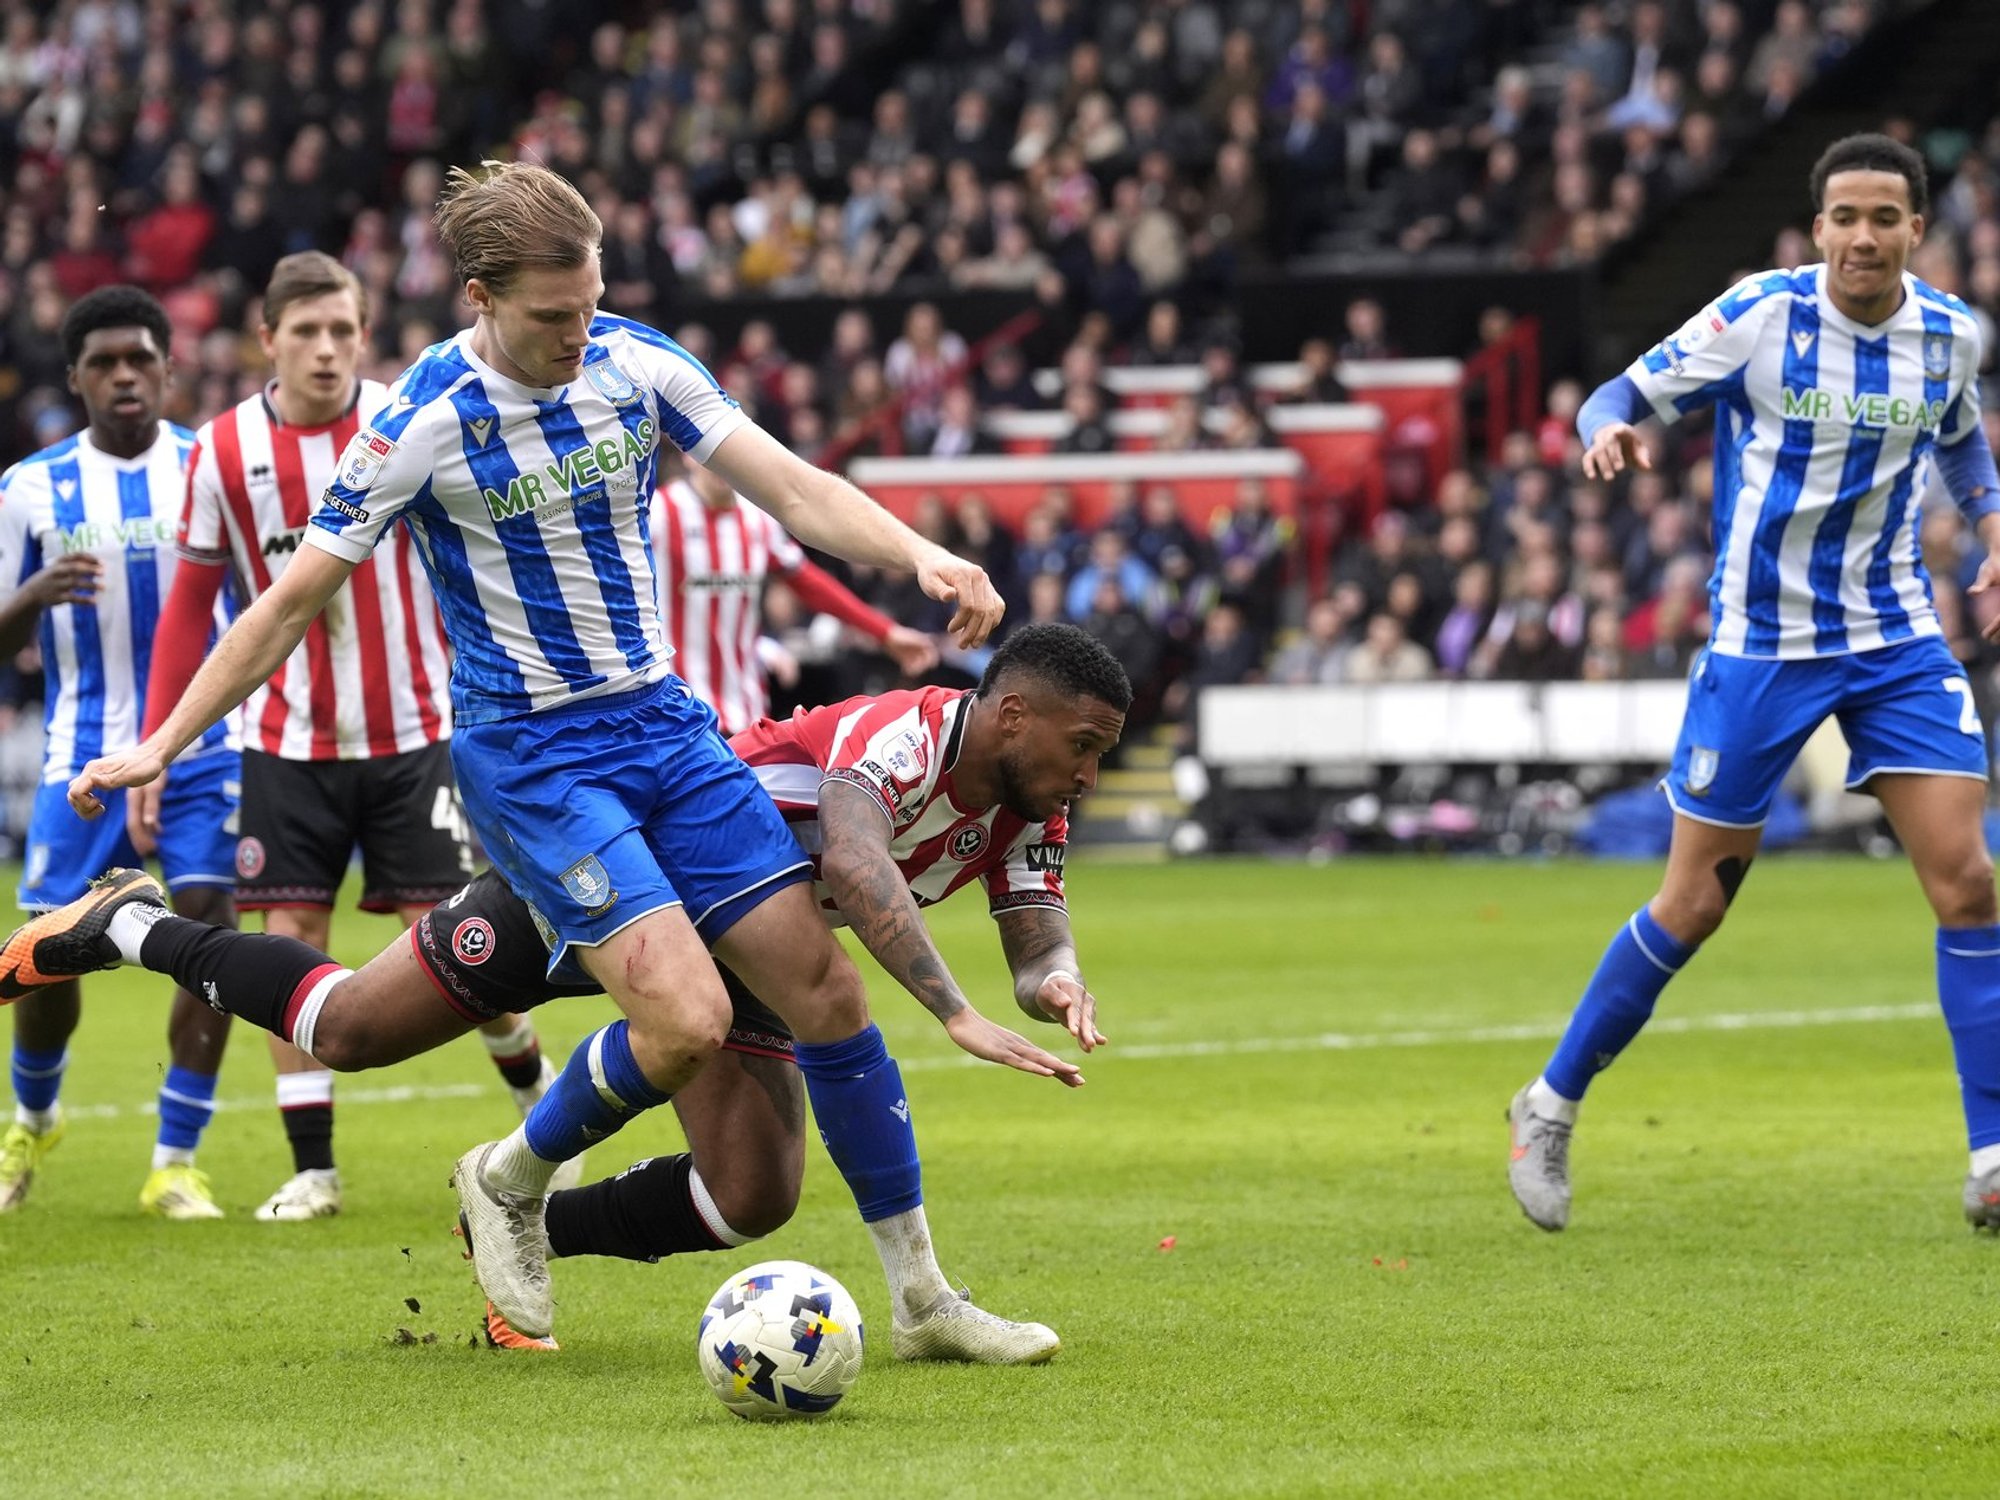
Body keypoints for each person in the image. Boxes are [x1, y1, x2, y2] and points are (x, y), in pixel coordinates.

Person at [66, 162, 1035, 1358]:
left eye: (589, 302)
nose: (579, 331)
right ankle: (510, 1179)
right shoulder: (419, 421)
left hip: (668, 733)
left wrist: (918, 554)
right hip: (533, 761)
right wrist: (161, 741)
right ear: (480, 297)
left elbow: (787, 485)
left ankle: (924, 1302)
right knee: (676, 1019)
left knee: (825, 990)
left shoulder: (635, 359)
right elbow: (280, 607)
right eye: (551, 315)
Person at [9, 624, 1126, 1355]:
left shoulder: (1031, 807)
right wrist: (952, 1010)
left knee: (752, 1194)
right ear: (1013, 714)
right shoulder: (906, 733)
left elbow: (1032, 929)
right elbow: (853, 857)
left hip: (753, 952)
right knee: (348, 1027)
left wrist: (1054, 978)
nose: (1086, 774)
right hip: (618, 862)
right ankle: (133, 925)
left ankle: (517, 1219)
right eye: (1081, 746)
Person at [1506, 134, 2000, 1232]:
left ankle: (1991, 1158)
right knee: (1690, 905)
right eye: (1841, 218)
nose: (1860, 237)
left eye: (1882, 217)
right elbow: (1610, 396)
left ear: (1917, 228)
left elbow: (1963, 449)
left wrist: (1991, 526)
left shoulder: (1947, 338)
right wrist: (1607, 437)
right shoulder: (1757, 318)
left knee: (1966, 882)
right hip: (1760, 645)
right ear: (1815, 227)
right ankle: (1546, 1102)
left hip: (1894, 641)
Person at [145, 251, 558, 1223]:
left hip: (417, 732)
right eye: (306, 333)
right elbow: (188, 611)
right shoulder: (219, 453)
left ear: (363, 336)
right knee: (290, 940)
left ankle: (541, 1114)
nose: (326, 351)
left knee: (462, 945)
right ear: (267, 340)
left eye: (342, 331)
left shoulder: (406, 419)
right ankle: (315, 1169)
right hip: (284, 744)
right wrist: (159, 746)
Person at [0, 286, 242, 1220]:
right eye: (104, 363)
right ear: (75, 378)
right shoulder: (29, 488)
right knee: (48, 952)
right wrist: (33, 596)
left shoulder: (207, 469)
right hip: (80, 758)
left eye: (141, 358)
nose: (126, 376)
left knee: (212, 931)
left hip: (203, 750)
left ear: (168, 368)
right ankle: (34, 1112)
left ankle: (176, 1159)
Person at [653, 457, 937, 736]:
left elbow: (810, 584)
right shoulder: (660, 512)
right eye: (705, 452)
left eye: (725, 453)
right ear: (687, 455)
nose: (718, 463)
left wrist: (885, 632)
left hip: (745, 713)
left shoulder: (757, 520)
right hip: (676, 712)